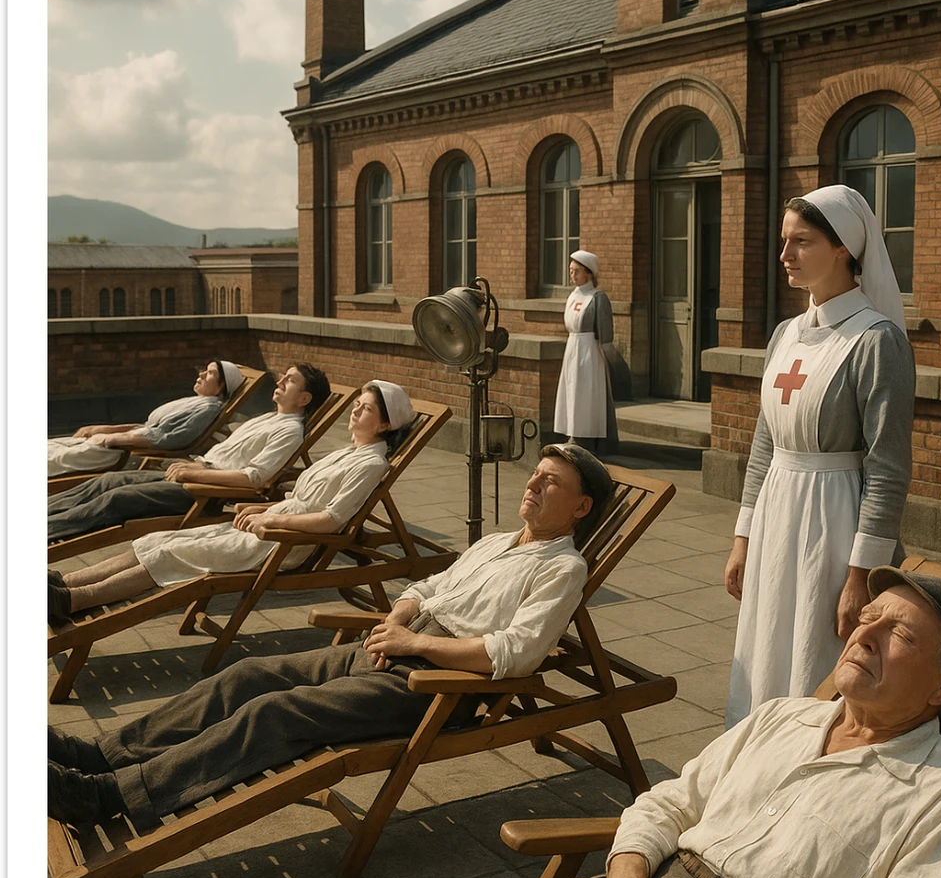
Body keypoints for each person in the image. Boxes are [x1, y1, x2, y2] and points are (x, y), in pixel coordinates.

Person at [69, 568, 941, 878]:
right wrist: (625, 875)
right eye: (865, 621)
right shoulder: (785, 717)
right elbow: (667, 800)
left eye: (896, 631)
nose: (860, 633)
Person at [47, 443, 615, 833]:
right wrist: (400, 618)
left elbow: (516, 654)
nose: (534, 484)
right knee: (246, 675)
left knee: (275, 712)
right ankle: (103, 754)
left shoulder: (562, 569)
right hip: (396, 646)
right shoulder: (496, 541)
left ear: (581, 507)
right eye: (536, 475)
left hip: (440, 684)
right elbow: (427, 582)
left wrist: (416, 645)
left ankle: (111, 797)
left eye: (551, 482)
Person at [723, 185, 916, 728]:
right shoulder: (785, 334)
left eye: (801, 241)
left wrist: (862, 573)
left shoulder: (876, 341)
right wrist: (743, 537)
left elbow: (888, 467)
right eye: (784, 241)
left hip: (834, 523)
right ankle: (757, 749)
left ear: (843, 249)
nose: (785, 254)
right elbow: (765, 443)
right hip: (776, 516)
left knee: (815, 649)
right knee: (767, 645)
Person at [46, 381, 410, 624]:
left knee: (168, 555)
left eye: (364, 409)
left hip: (282, 544)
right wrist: (261, 509)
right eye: (357, 405)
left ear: (384, 425)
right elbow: (298, 499)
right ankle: (65, 582)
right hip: (268, 527)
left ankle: (74, 601)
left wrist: (272, 523)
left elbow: (331, 520)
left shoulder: (371, 463)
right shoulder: (348, 452)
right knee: (158, 540)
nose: (355, 412)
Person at [47, 362, 331, 548]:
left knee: (116, 498)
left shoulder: (290, 432)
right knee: (106, 481)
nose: (280, 381)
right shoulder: (268, 418)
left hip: (204, 491)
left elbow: (254, 478)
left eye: (290, 380)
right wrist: (193, 465)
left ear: (304, 398)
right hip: (194, 473)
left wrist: (196, 472)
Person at [47, 359, 245, 477]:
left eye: (210, 373)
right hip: (123, 441)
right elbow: (147, 426)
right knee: (52, 446)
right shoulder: (196, 401)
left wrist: (112, 438)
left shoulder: (209, 409)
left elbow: (173, 438)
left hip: (123, 452)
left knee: (55, 459)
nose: (201, 374)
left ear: (221, 388)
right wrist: (104, 429)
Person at [552, 250, 619, 453]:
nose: (572, 276)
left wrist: (609, 357)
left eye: (577, 271)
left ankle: (588, 436)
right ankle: (572, 431)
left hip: (589, 349)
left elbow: (605, 331)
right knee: (571, 390)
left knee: (587, 392)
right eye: (571, 271)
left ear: (589, 273)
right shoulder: (572, 296)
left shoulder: (597, 298)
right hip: (572, 347)